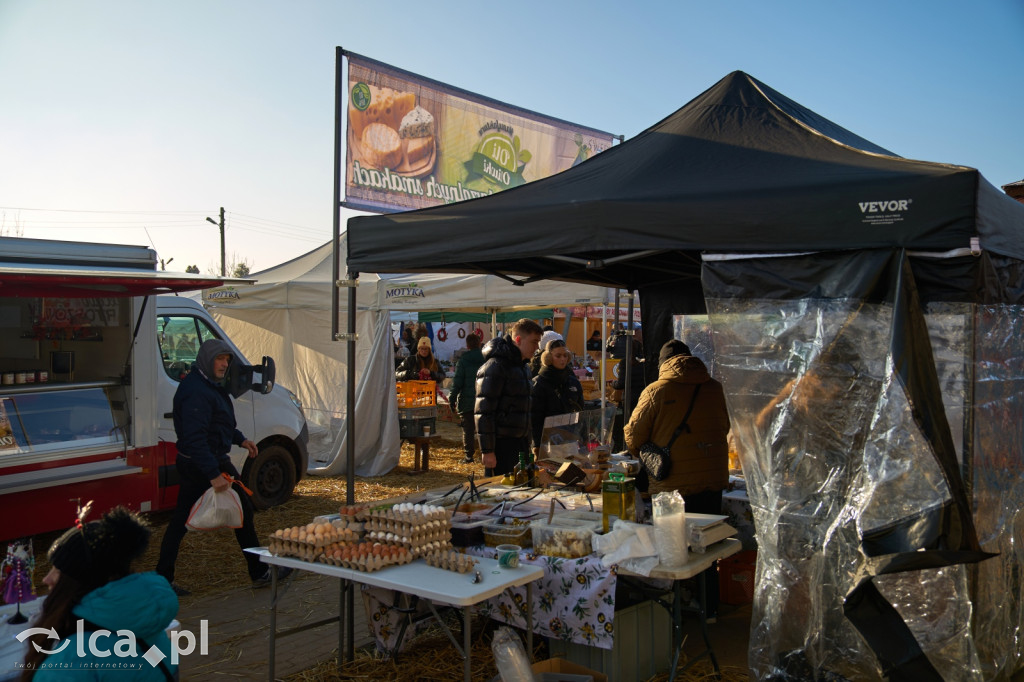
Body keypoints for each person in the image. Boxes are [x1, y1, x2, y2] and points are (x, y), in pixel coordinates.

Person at [156, 338, 287, 594]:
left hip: (208, 460)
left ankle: (163, 578)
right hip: (202, 464)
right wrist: (214, 474)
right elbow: (195, 440)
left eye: (227, 359)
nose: (225, 364)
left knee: (228, 514)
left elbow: (217, 424)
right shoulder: (196, 391)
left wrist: (240, 440)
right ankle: (259, 571)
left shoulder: (208, 384)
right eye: (220, 359)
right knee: (234, 513)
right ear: (206, 359)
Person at [624, 339, 730, 620]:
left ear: (662, 364)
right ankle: (710, 608)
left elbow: (633, 437)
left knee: (674, 547)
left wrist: (649, 452)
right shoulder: (715, 388)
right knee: (707, 545)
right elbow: (725, 425)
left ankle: (676, 609)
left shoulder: (656, 390)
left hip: (672, 483)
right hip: (713, 476)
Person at [23, 506, 179, 681]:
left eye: (58, 571)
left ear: (84, 580)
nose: (46, 579)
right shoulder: (148, 628)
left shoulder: (72, 661)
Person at [475, 318, 543, 476]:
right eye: (534, 342)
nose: (537, 347)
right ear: (518, 339)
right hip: (501, 445)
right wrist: (488, 450)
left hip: (520, 444)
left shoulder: (524, 368)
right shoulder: (495, 367)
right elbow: (484, 412)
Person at [530, 339, 584, 451]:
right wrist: (537, 445)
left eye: (565, 355)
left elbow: (581, 411)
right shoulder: (539, 383)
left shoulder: (573, 382)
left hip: (570, 440)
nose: (562, 359)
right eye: (558, 356)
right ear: (548, 358)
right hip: (547, 443)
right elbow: (535, 418)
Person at [449, 333, 485, 463]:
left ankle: (469, 456)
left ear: (467, 345)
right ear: (479, 343)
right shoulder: (486, 359)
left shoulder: (463, 361)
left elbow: (457, 383)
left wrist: (452, 399)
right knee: (484, 429)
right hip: (484, 400)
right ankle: (485, 454)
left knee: (468, 429)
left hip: (468, 401)